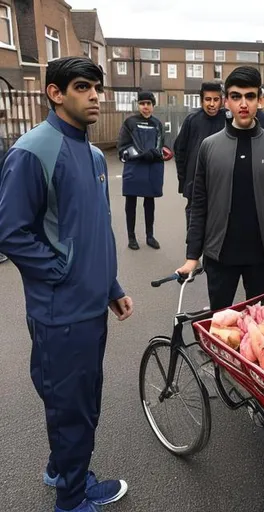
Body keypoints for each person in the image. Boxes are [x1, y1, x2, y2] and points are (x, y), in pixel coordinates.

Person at [0, 57, 133, 511]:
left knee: (76, 401)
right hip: (61, 314)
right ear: (55, 93)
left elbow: (91, 228)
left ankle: (62, 469)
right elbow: (11, 232)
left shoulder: (94, 154)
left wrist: (110, 285)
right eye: (82, 87)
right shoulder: (32, 150)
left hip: (89, 305)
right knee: (73, 408)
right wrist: (65, 273)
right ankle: (72, 499)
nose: (95, 95)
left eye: (97, 87)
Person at [177, 66, 264, 310]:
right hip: (219, 256)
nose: (243, 104)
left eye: (250, 96)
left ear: (260, 99)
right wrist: (192, 257)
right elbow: (198, 204)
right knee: (220, 328)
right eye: (236, 96)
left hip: (261, 257)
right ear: (227, 101)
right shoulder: (209, 147)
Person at [174, 82, 225, 229]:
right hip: (194, 182)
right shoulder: (192, 120)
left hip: (220, 184)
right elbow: (180, 150)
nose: (212, 104)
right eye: (208, 99)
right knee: (194, 226)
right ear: (201, 100)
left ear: (221, 100)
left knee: (217, 227)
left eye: (216, 99)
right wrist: (183, 179)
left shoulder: (228, 120)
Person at [117, 91, 165, 250]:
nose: (145, 107)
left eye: (149, 104)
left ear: (153, 106)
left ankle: (150, 236)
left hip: (152, 167)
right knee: (131, 201)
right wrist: (140, 154)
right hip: (134, 166)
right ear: (138, 105)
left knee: (149, 201)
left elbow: (160, 144)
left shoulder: (157, 123)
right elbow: (123, 145)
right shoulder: (130, 122)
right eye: (142, 103)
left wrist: (155, 153)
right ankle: (131, 237)